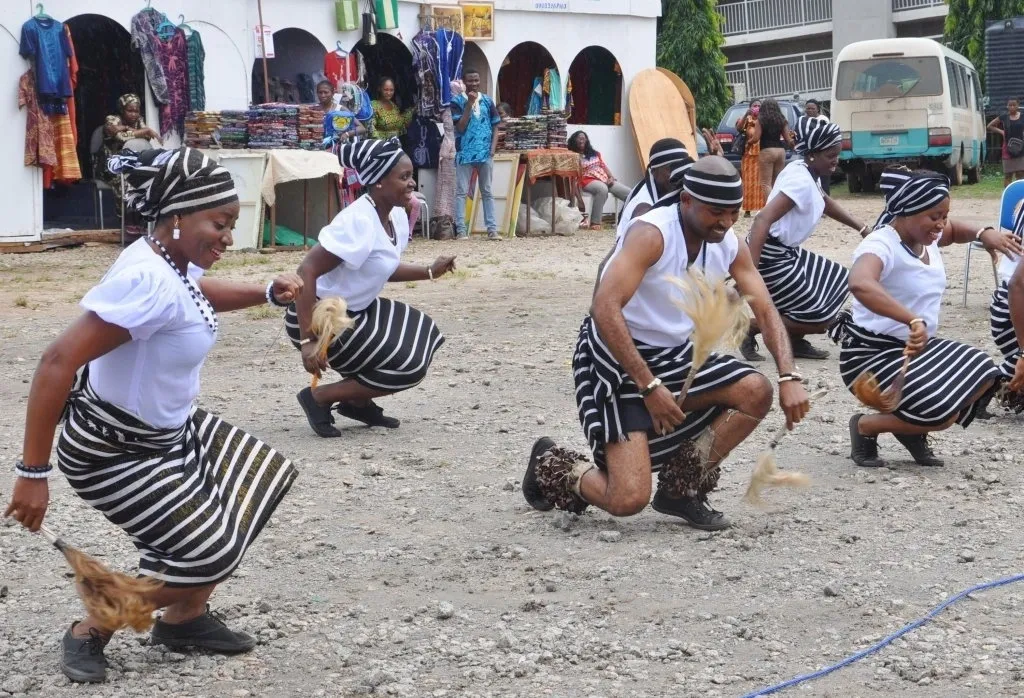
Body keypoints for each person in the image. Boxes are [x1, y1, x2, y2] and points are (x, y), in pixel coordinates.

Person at [4, 147, 300, 684]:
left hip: (168, 434)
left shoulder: (167, 261)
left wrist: (263, 291)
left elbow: (193, 292)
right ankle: (91, 626)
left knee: (254, 482)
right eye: (220, 223)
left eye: (231, 224)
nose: (228, 238)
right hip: (112, 451)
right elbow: (56, 362)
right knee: (210, 550)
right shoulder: (149, 280)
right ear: (178, 216)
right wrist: (32, 474)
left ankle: (183, 619)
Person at [522, 156, 809, 530]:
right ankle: (552, 465)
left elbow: (766, 308)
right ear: (686, 200)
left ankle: (681, 489)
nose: (725, 222)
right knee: (627, 499)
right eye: (716, 212)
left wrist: (789, 376)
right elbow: (604, 309)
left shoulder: (728, 242)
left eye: (734, 213)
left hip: (673, 356)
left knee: (756, 390)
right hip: (614, 357)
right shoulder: (651, 234)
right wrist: (649, 386)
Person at [830, 170, 1002, 468]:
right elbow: (860, 283)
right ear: (907, 210)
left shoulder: (928, 238)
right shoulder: (881, 244)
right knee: (942, 413)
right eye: (934, 216)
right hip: (870, 356)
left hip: (916, 349)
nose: (941, 224)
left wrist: (984, 233)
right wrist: (911, 319)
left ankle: (910, 429)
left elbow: (955, 231)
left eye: (944, 215)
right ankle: (867, 426)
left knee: (985, 373)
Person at [288, 139, 457, 438]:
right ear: (378, 181)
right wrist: (308, 340)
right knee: (409, 365)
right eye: (403, 177)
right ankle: (318, 397)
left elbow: (380, 267)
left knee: (422, 333)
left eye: (410, 175)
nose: (411, 183)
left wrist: (430, 271)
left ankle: (358, 401)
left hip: (357, 310)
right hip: (318, 315)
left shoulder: (396, 215)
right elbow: (306, 271)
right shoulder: (358, 221)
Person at [745, 117, 871, 362]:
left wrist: (862, 227)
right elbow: (761, 220)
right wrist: (750, 270)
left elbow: (825, 201)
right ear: (812, 154)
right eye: (830, 155)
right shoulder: (801, 181)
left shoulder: (804, 170)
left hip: (786, 250)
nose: (836, 160)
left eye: (837, 153)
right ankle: (749, 328)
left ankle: (794, 339)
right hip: (770, 253)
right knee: (820, 318)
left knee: (835, 281)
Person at [452, 67, 501, 240]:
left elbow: (496, 126)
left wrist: (493, 149)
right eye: (470, 80)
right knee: (461, 192)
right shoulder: (457, 101)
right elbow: (460, 127)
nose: (474, 84)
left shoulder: (487, 101)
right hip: (465, 153)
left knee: (486, 191)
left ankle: (492, 230)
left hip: (485, 153)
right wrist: (469, 105)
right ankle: (461, 231)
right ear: (464, 82)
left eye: (476, 80)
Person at [99, 93, 161, 219]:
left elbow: (147, 137)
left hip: (131, 164)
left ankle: (143, 219)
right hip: (111, 167)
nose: (134, 114)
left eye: (136, 111)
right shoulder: (112, 120)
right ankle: (126, 219)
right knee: (126, 182)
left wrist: (138, 131)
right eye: (130, 111)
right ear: (122, 110)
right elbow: (122, 138)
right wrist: (143, 131)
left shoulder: (139, 120)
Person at [568, 130, 631, 230]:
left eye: (584, 138)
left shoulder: (595, 153)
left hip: (604, 178)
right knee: (602, 189)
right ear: (574, 141)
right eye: (579, 138)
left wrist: (610, 177)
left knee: (630, 193)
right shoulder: (572, 156)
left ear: (587, 140)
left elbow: (603, 166)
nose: (582, 139)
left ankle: (624, 220)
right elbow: (573, 178)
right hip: (587, 180)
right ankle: (595, 222)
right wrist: (579, 200)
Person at [755, 99, 794, 199]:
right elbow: (788, 139)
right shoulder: (782, 119)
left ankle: (770, 208)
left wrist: (747, 141)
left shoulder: (760, 119)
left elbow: (756, 138)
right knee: (777, 182)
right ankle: (778, 207)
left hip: (767, 151)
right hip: (780, 151)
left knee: (765, 184)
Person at [735, 100, 764, 217]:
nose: (757, 108)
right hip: (748, 155)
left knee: (761, 181)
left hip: (762, 154)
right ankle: (747, 209)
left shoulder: (764, 120)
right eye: (754, 106)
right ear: (750, 107)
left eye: (759, 106)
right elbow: (739, 128)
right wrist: (746, 114)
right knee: (748, 182)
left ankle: (762, 207)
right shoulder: (746, 119)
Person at [988, 98, 1024, 188]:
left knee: (1020, 174)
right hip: (1007, 149)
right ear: (1007, 106)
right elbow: (990, 126)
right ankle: (1007, 195)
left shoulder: (1022, 116)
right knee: (1008, 174)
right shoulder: (1004, 117)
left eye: (1014, 105)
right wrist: (1001, 132)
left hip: (1021, 149)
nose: (1012, 107)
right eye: (1010, 105)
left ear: (1018, 106)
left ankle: (1019, 196)